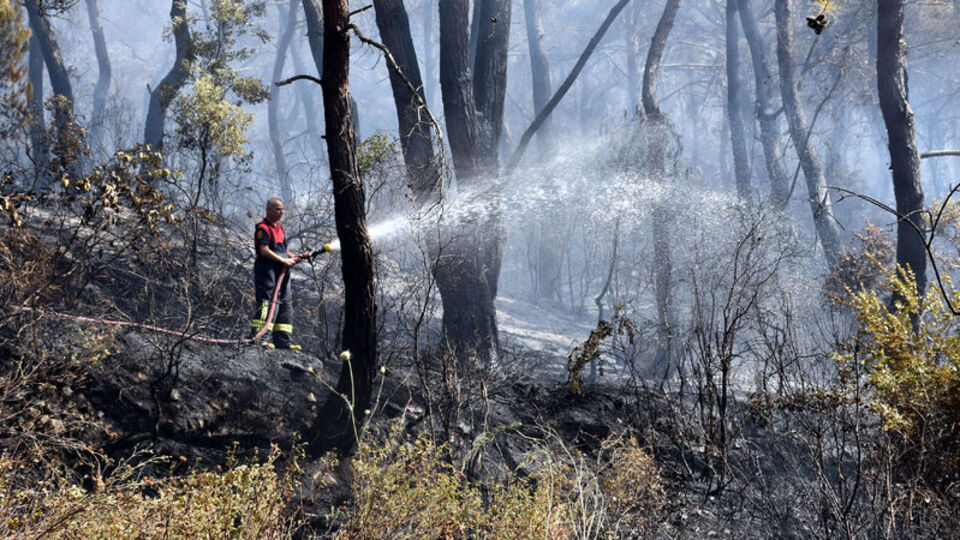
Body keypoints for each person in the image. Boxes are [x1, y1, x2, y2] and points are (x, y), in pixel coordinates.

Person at [250, 197, 308, 349]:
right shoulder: (263, 228)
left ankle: (282, 341)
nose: (281, 212)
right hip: (267, 270)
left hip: (282, 270)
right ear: (269, 210)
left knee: (285, 302)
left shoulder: (279, 228)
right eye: (278, 209)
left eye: (282, 209)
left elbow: (282, 250)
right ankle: (260, 337)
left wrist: (294, 257)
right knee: (267, 302)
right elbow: (264, 250)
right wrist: (284, 261)